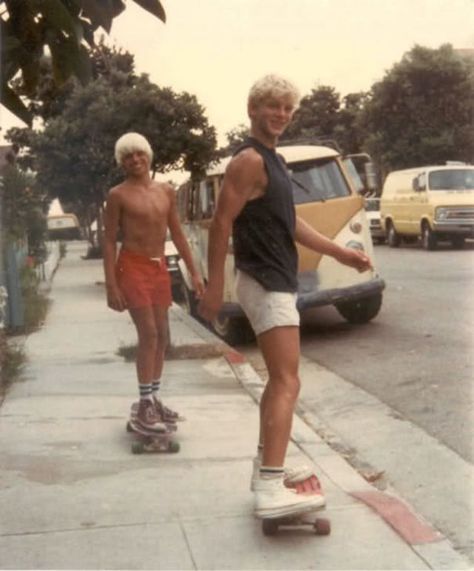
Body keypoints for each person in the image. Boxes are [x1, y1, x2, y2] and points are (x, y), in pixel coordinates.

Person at [198, 75, 373, 519]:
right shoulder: (250, 160)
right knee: (286, 381)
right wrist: (214, 287)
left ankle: (266, 470)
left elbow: (290, 220)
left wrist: (341, 252)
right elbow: (220, 223)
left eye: (287, 108)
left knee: (281, 380)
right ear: (253, 109)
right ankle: (272, 486)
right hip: (264, 278)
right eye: (271, 106)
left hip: (276, 277)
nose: (280, 114)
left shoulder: (274, 161)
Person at [103, 132, 204, 432]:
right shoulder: (117, 195)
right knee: (147, 334)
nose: (135, 160)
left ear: (148, 155)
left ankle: (155, 398)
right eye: (128, 157)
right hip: (131, 268)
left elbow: (178, 233)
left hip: (158, 268)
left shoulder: (166, 191)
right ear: (122, 163)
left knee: (160, 334)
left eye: (139, 154)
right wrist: (111, 285)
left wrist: (195, 272)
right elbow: (109, 241)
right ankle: (144, 403)